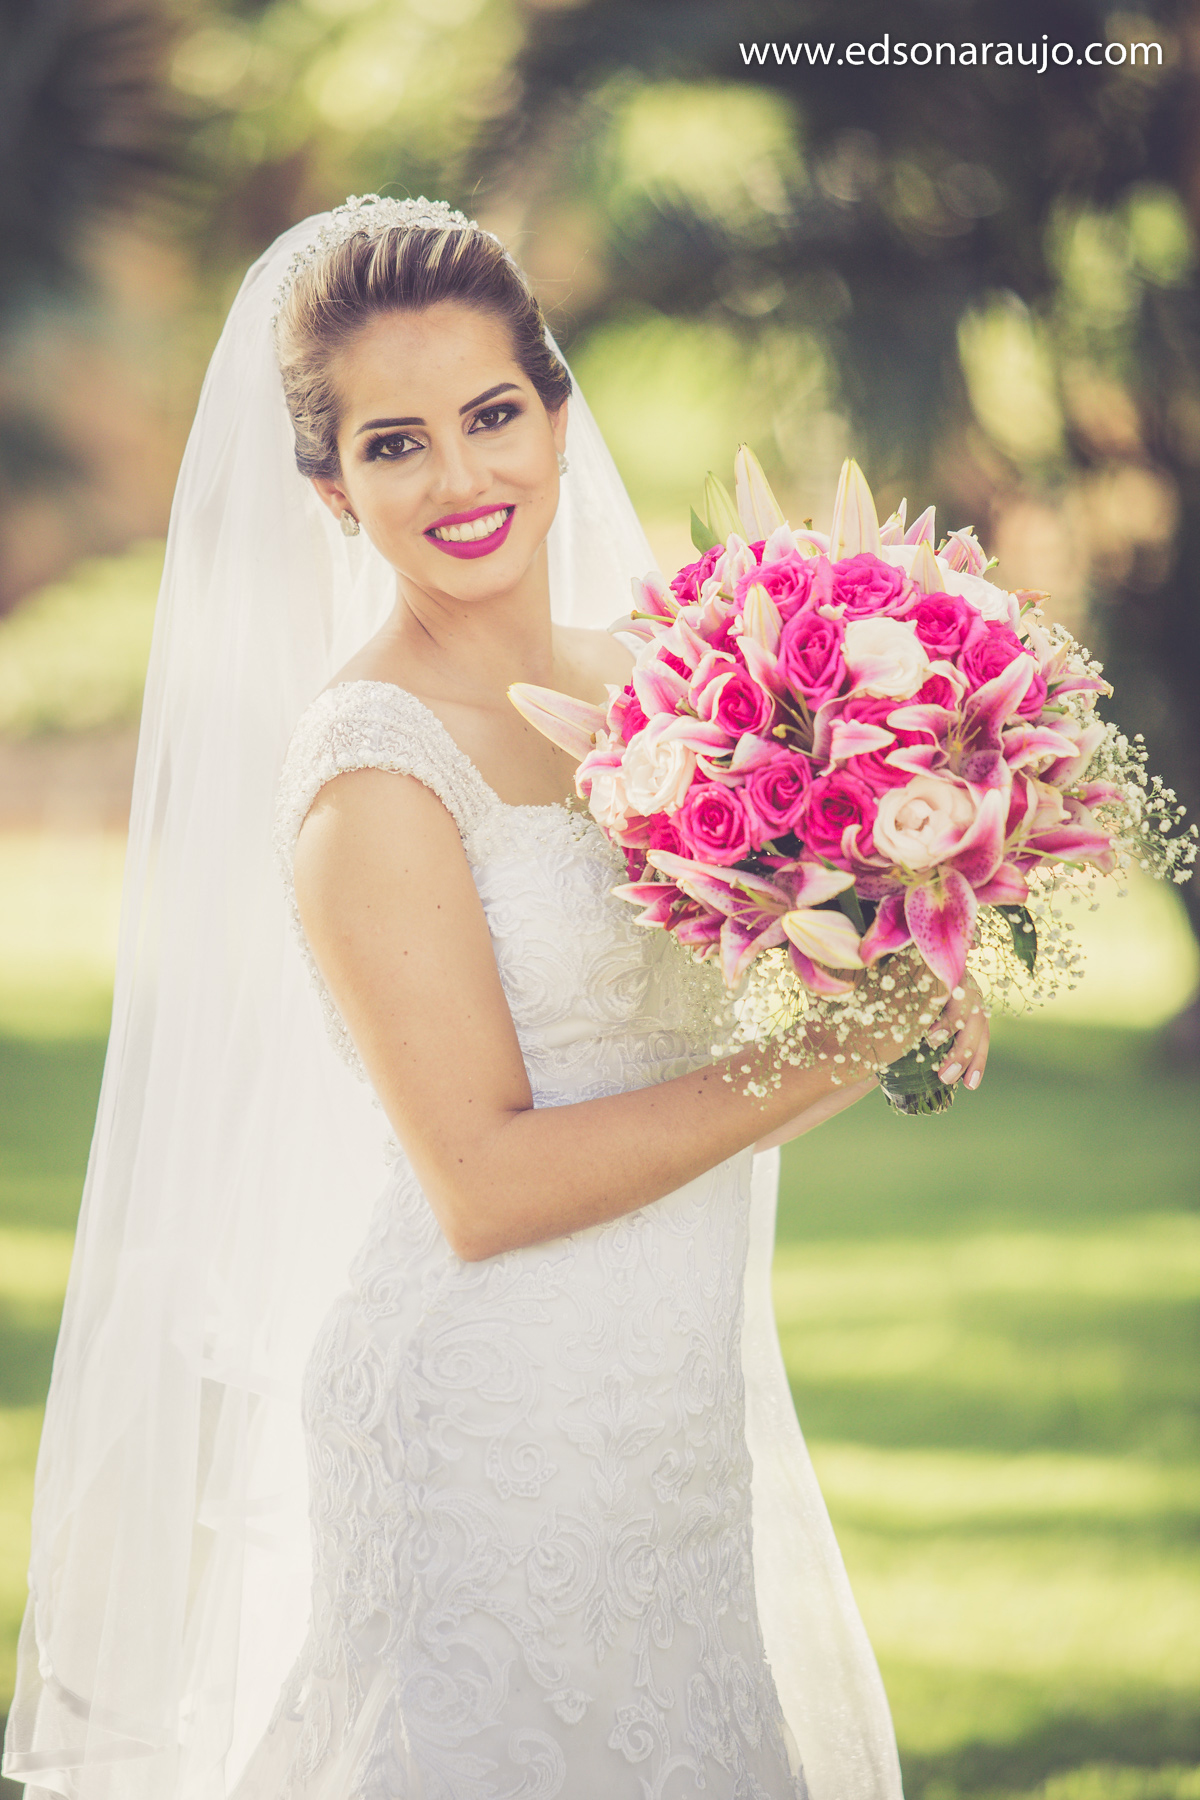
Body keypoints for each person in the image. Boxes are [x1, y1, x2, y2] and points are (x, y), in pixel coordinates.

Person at [4, 197, 987, 1800]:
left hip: (670, 1412)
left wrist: (919, 938)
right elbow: (482, 1182)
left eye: (490, 416)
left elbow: (779, 964)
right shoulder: (371, 773)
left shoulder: (677, 689)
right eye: (396, 446)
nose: (461, 480)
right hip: (491, 1429)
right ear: (331, 492)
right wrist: (826, 1055)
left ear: (555, 413)